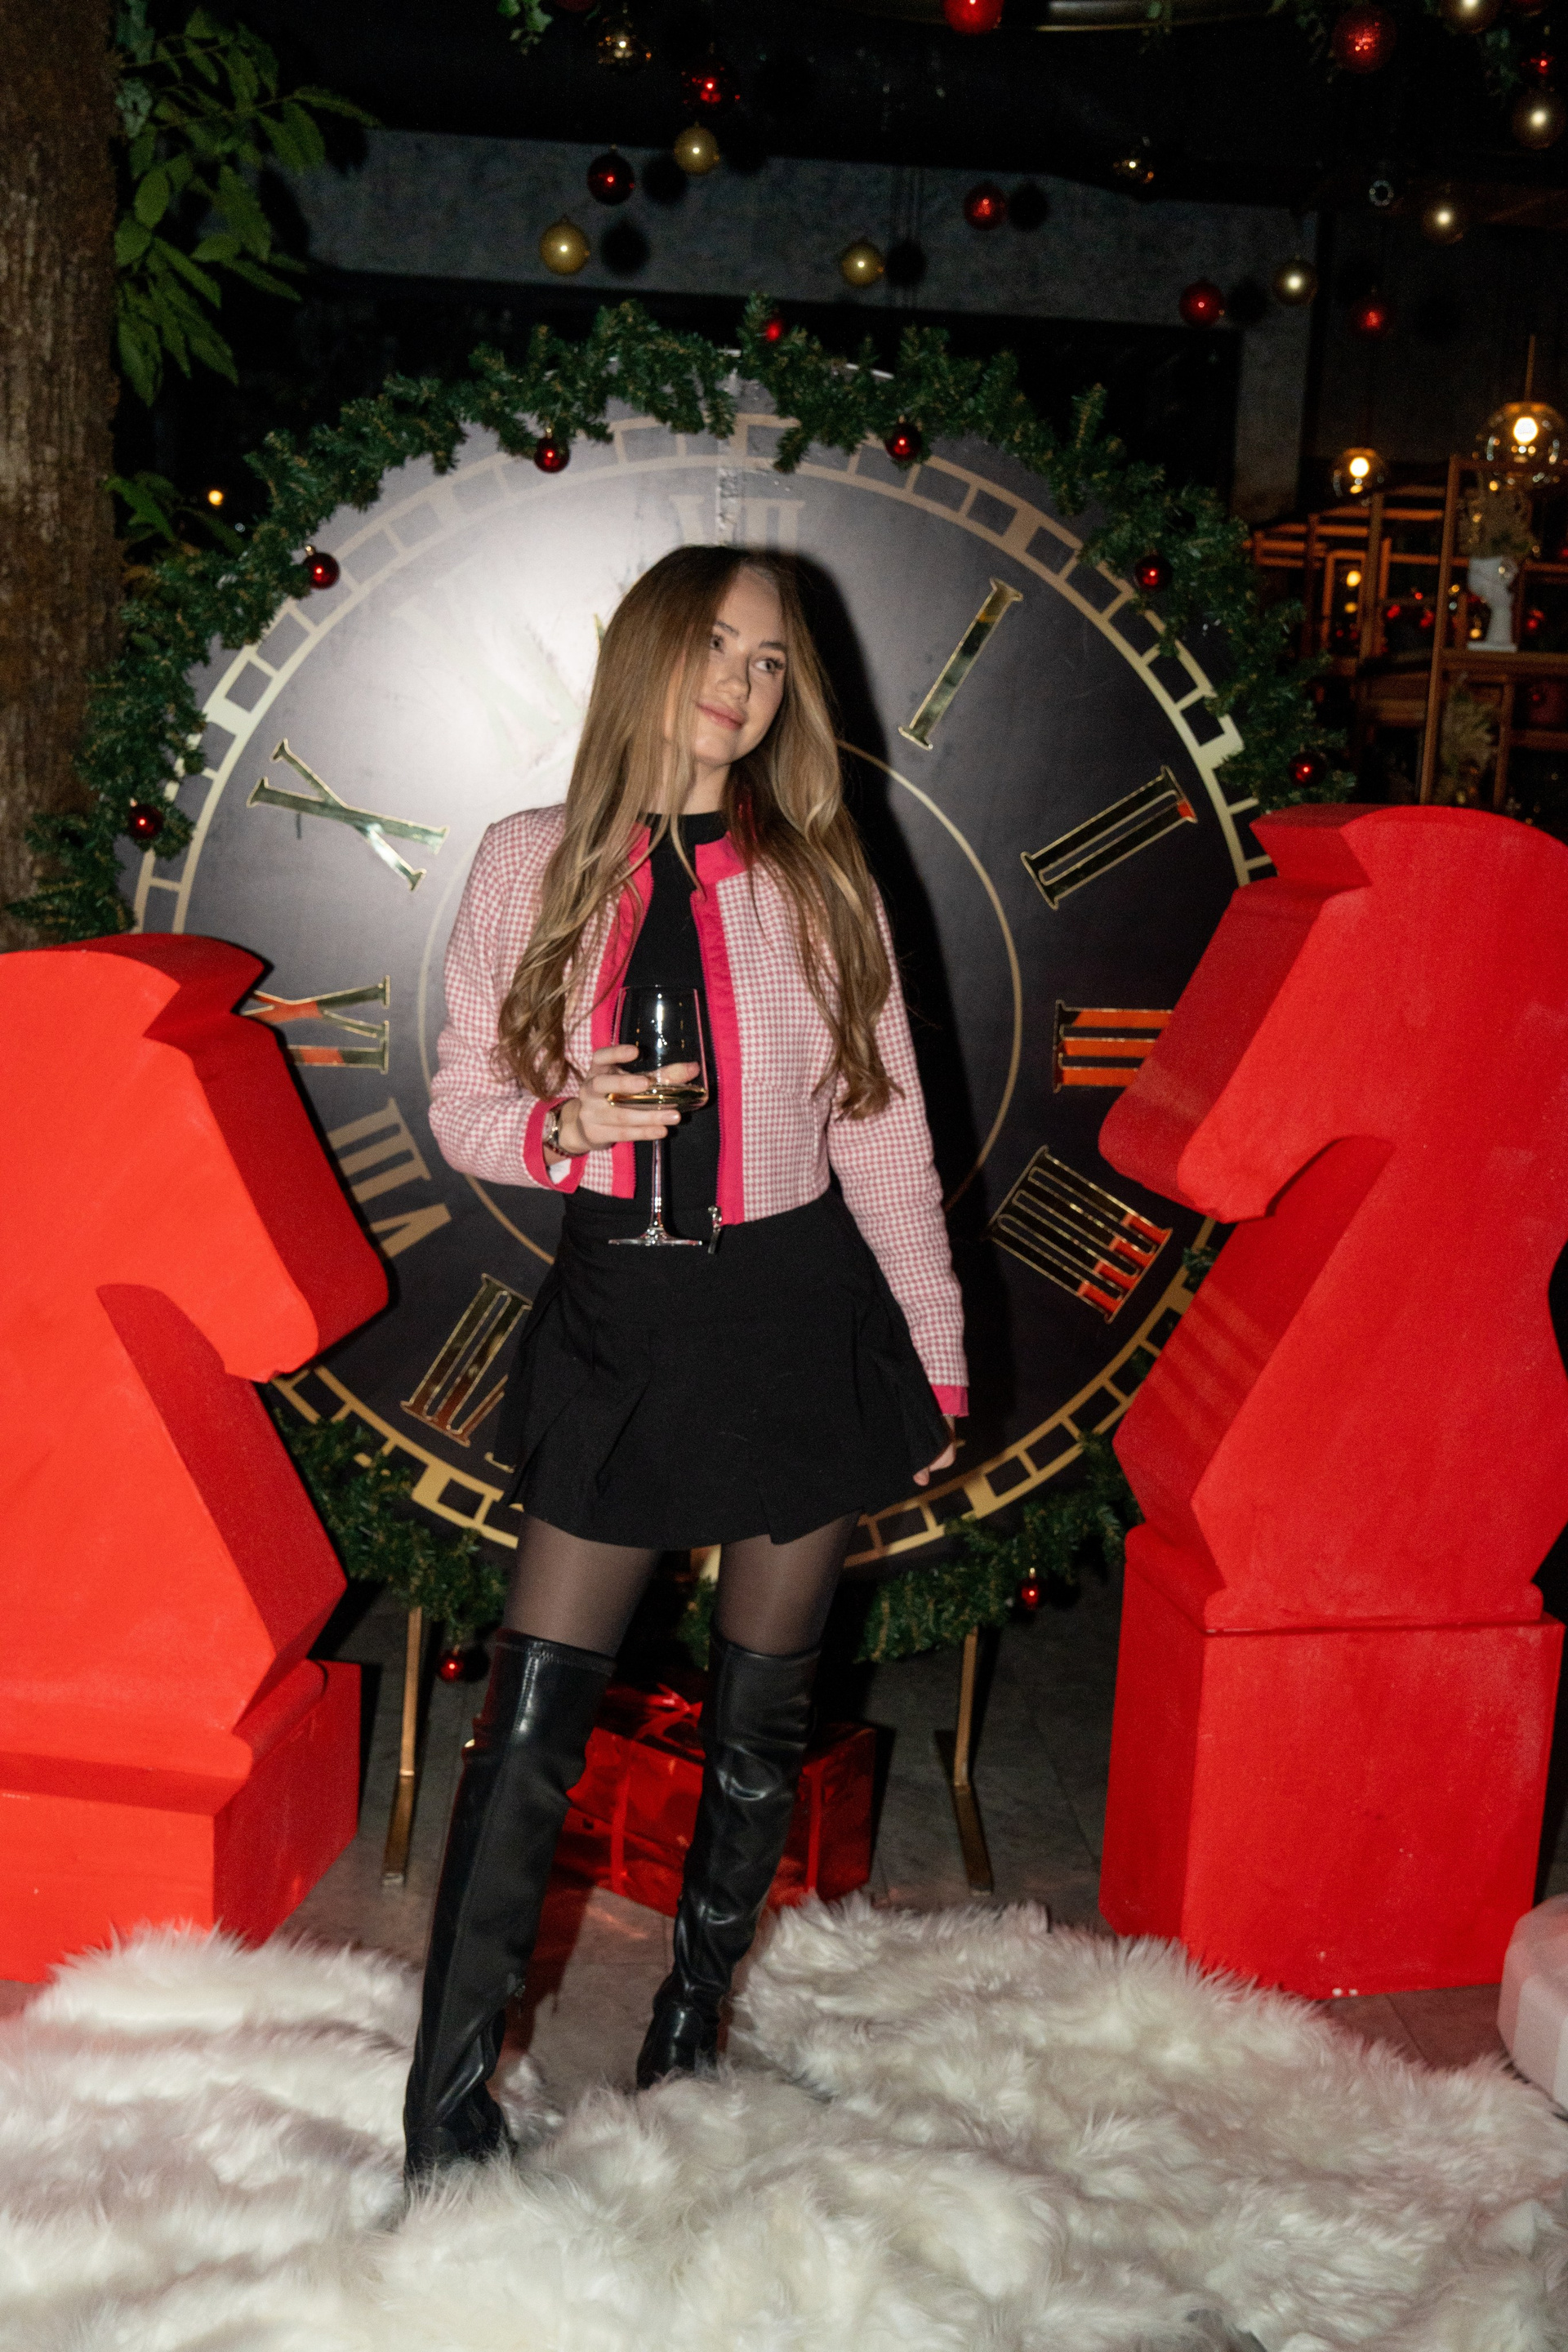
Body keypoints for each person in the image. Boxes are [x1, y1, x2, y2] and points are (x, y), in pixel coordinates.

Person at [403, 543, 967, 2181]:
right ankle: (445, 2114)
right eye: (716, 643)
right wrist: (565, 1127)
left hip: (799, 1312)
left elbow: (885, 1131)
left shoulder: (822, 877)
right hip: (622, 1320)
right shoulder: (530, 859)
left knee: (758, 1716)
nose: (741, 682)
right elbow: (463, 1099)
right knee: (530, 1723)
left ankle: (690, 2027)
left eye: (772, 660)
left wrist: (933, 1353)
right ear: (648, 651)